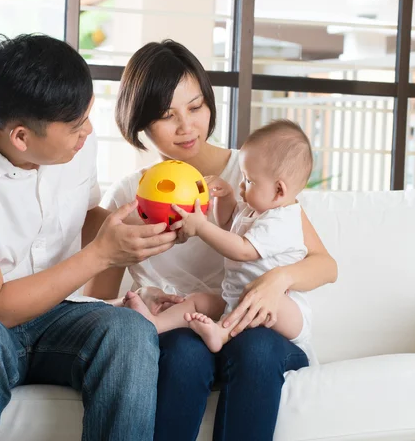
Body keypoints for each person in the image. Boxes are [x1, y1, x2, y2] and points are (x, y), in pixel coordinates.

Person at [0, 34, 178, 441]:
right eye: (75, 126)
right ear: (22, 138)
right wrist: (101, 255)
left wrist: (145, 226)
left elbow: (83, 217)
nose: (88, 132)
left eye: (86, 117)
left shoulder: (76, 138)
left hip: (53, 314)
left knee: (130, 331)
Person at [85, 40, 338, 441]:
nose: (186, 127)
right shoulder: (128, 198)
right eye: (167, 115)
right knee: (185, 352)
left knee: (256, 346)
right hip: (183, 335)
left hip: (257, 336)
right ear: (140, 124)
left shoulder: (255, 171)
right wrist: (140, 301)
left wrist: (277, 281)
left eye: (196, 107)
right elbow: (99, 305)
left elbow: (325, 264)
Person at [124, 120, 316, 361]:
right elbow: (227, 225)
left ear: (279, 191)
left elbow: (243, 250)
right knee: (197, 300)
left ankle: (222, 334)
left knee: (271, 303)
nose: (242, 185)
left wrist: (201, 227)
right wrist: (225, 198)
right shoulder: (253, 210)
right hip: (235, 298)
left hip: (283, 310)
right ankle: (156, 323)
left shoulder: (282, 221)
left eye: (249, 181)